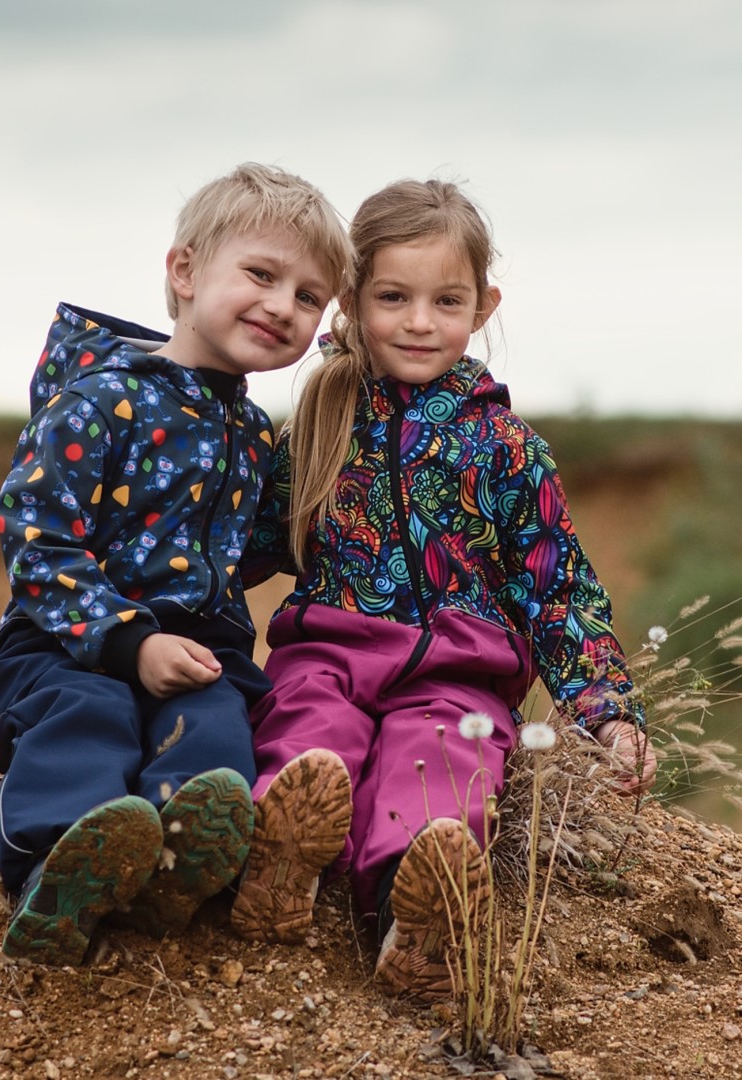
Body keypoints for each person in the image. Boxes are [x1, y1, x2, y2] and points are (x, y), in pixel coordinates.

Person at [229, 178, 657, 999]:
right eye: (393, 297)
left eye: (446, 300)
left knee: (442, 764)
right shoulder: (318, 425)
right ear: (351, 300)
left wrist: (607, 713)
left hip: (458, 672)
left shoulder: (507, 447)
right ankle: (280, 855)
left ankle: (415, 916)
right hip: (330, 648)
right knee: (309, 726)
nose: (419, 322)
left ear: (484, 305)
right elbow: (241, 548)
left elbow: (557, 588)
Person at [0, 163, 351, 966]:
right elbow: (34, 532)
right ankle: (55, 868)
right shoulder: (103, 398)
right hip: (68, 644)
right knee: (88, 720)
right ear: (184, 271)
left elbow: (240, 551)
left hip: (200, 651)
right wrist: (127, 641)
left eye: (309, 295)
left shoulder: (252, 433)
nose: (282, 305)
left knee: (218, 732)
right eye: (261, 274)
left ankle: (174, 868)